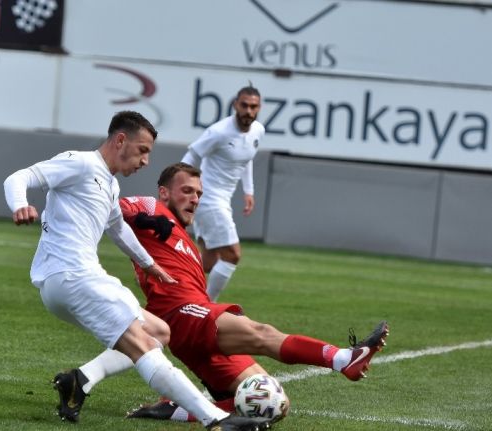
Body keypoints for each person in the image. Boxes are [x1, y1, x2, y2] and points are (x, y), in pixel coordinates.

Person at [53, 162, 389, 424]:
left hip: (193, 324)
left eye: (199, 193)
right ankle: (342, 359)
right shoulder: (152, 207)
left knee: (272, 402)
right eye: (186, 191)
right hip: (181, 314)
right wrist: (130, 217)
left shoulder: (185, 238)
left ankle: (175, 410)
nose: (195, 198)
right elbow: (108, 206)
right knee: (261, 333)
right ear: (164, 193)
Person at [3, 112, 264, 431]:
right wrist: (19, 203)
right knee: (143, 345)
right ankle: (217, 419)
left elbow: (119, 229)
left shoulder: (110, 184)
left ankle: (80, 380)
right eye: (142, 150)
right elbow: (19, 177)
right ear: (120, 140)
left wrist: (149, 264)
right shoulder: (81, 163)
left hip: (65, 282)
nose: (145, 161)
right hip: (74, 276)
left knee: (159, 331)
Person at [181, 85, 265, 300]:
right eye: (244, 105)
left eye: (253, 106)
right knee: (232, 255)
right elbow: (192, 156)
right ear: (235, 105)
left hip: (223, 199)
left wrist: (249, 191)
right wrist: (179, 187)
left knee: (208, 263)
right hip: (209, 198)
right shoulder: (219, 131)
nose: (248, 111)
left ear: (259, 108)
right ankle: (207, 306)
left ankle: (170, 283)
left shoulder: (258, 130)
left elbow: (246, 158)